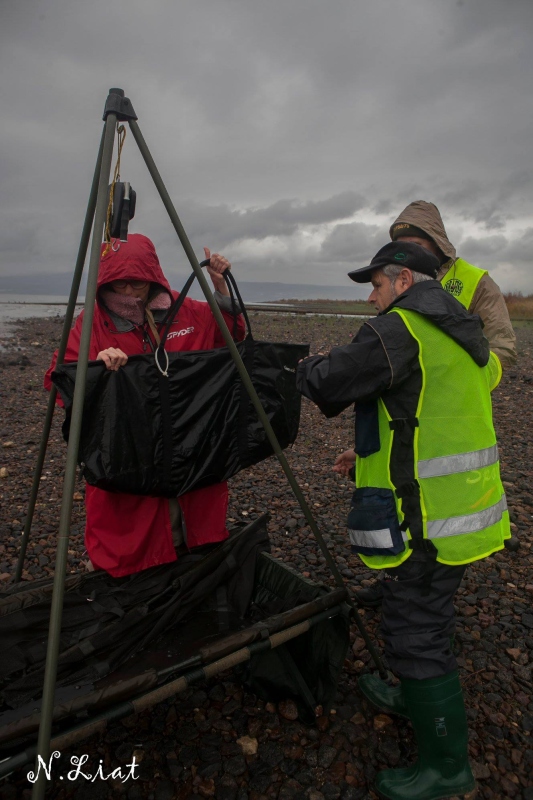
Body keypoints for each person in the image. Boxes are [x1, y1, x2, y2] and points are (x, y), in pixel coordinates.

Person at [296, 241, 510, 800]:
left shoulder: (401, 330)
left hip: (428, 522)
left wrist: (303, 367)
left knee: (417, 630)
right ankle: (410, 694)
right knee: (417, 613)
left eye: (376, 286)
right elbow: (421, 411)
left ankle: (447, 766)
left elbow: (331, 383)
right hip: (465, 510)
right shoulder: (464, 333)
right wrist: (362, 457)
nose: (371, 299)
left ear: (404, 281)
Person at [44, 233, 245, 577]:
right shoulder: (92, 323)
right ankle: (129, 577)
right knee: (128, 539)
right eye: (117, 284)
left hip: (189, 441)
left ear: (153, 277)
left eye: (135, 283)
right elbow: (60, 379)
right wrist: (97, 371)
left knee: (191, 525)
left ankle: (187, 560)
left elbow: (231, 335)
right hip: (128, 450)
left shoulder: (189, 312)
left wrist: (222, 291)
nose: (126, 293)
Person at [357, 199, 516, 608]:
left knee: (442, 507)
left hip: (453, 419)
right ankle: (402, 582)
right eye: (401, 242)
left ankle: (426, 605)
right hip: (401, 412)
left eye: (415, 241)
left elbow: (503, 345)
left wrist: (468, 384)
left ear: (437, 243)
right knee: (399, 497)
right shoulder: (396, 279)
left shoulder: (474, 281)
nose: (407, 248)